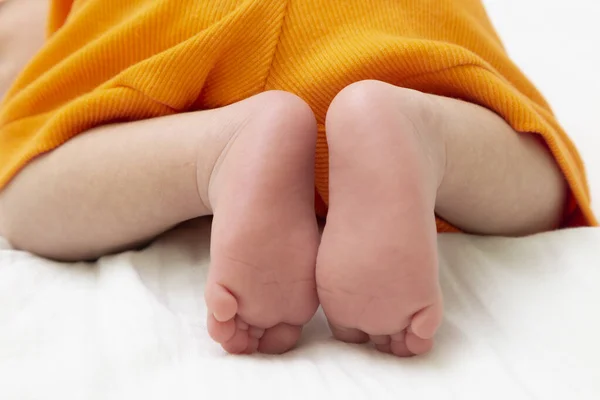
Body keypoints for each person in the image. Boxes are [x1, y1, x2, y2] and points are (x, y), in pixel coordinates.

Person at [0, 0, 596, 357]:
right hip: (389, 19)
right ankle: (420, 131)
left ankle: (216, 152)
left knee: (25, 189)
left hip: (173, 23)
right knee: (531, 169)